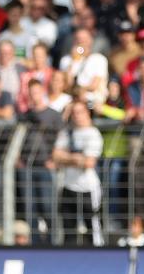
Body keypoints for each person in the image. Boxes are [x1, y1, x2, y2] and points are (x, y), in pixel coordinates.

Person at [52, 101, 104, 246]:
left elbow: (89, 163)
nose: (77, 116)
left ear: (87, 113)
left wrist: (66, 157)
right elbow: (55, 156)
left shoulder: (93, 134)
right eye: (74, 113)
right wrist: (75, 158)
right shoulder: (66, 133)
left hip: (88, 188)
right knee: (68, 230)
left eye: (80, 112)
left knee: (93, 228)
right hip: (68, 186)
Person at [19, 80, 63, 242]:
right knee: (30, 208)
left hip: (45, 166)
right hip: (26, 166)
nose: (34, 96)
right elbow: (18, 138)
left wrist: (55, 160)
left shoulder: (53, 115)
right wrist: (18, 159)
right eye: (31, 93)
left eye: (36, 92)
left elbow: (62, 139)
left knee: (47, 206)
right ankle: (35, 244)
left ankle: (52, 243)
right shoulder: (25, 116)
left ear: (42, 92)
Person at [59, 28, 109, 109]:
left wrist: (79, 90)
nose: (81, 42)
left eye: (84, 39)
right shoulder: (66, 60)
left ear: (91, 41)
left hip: (92, 100)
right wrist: (73, 61)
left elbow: (94, 85)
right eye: (78, 39)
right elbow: (66, 84)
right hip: (71, 99)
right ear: (74, 41)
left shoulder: (99, 59)